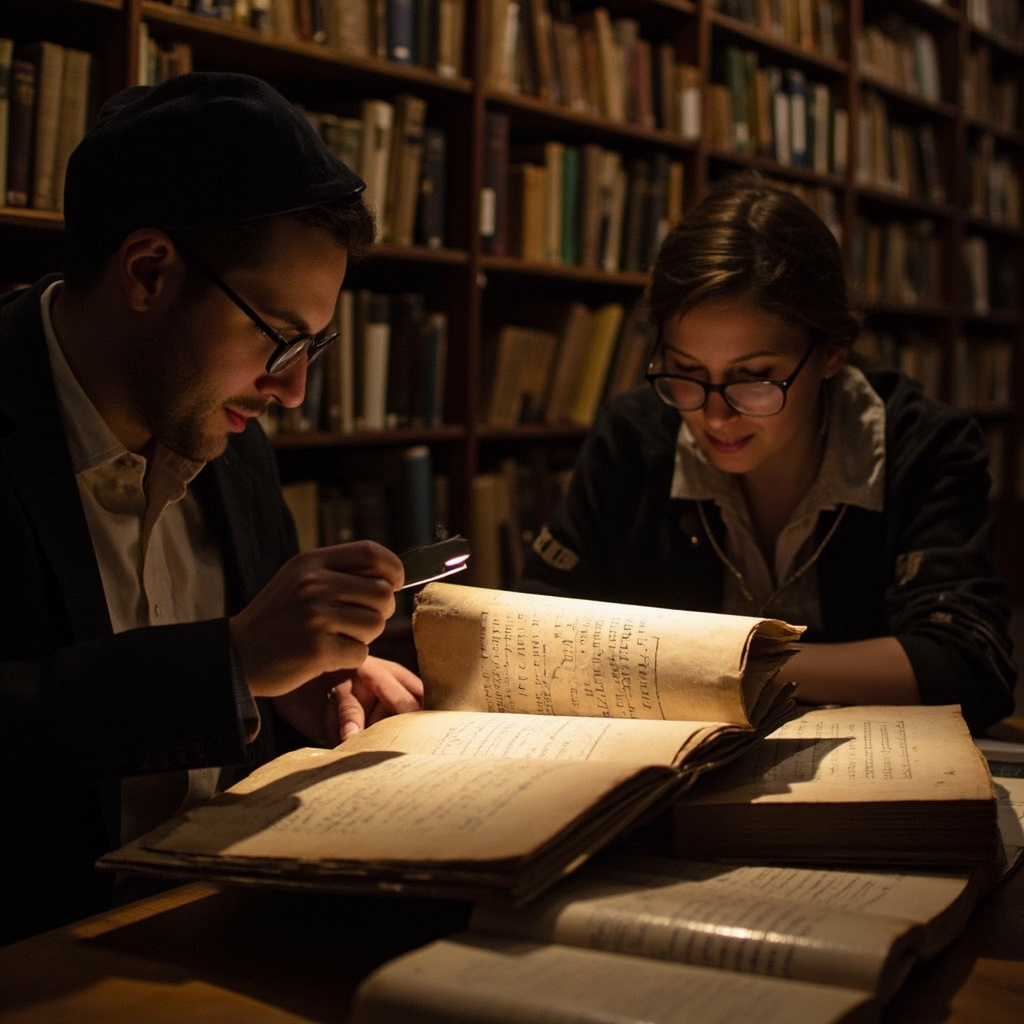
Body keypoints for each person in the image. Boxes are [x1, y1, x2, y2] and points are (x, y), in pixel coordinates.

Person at [0, 72, 424, 945]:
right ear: (149, 272)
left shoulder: (227, 435)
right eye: (278, 337)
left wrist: (305, 682)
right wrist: (225, 666)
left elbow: (253, 687)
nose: (296, 390)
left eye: (316, 344)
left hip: (225, 926)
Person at [517, 174, 1015, 735]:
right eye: (686, 372)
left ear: (831, 354)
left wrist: (722, 664)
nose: (715, 415)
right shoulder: (635, 436)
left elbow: (970, 663)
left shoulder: (920, 445)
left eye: (753, 378)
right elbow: (537, 622)